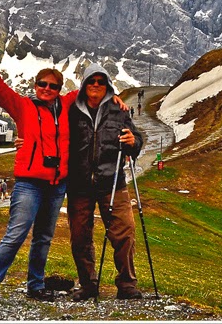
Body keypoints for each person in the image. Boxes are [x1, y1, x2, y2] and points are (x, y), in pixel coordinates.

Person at [0, 37, 128, 307]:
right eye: (42, 84)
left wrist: (116, 97)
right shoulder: (22, 106)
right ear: (35, 86)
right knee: (16, 234)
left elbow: (93, 91)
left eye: (53, 86)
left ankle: (36, 285)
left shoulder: (66, 106)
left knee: (43, 237)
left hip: (56, 186)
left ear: (59, 90)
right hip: (29, 184)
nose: (47, 89)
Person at [66, 64, 145, 301]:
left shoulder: (118, 111)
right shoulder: (71, 111)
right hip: (79, 184)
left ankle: (127, 284)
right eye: (92, 81)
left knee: (124, 232)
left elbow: (136, 140)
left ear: (108, 85)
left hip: (113, 183)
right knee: (80, 236)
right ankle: (88, 284)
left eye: (101, 81)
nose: (96, 85)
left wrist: (134, 142)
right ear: (84, 84)